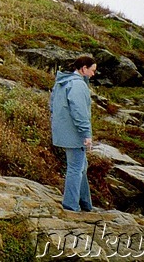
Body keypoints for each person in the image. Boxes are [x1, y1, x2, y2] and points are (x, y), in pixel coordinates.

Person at [50, 55, 96, 212]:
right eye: (92, 70)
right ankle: (71, 205)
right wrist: (86, 135)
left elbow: (52, 105)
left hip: (63, 132)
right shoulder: (78, 85)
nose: (93, 74)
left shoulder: (62, 82)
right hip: (75, 134)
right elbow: (80, 113)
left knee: (81, 165)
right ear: (84, 69)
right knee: (76, 167)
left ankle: (86, 204)